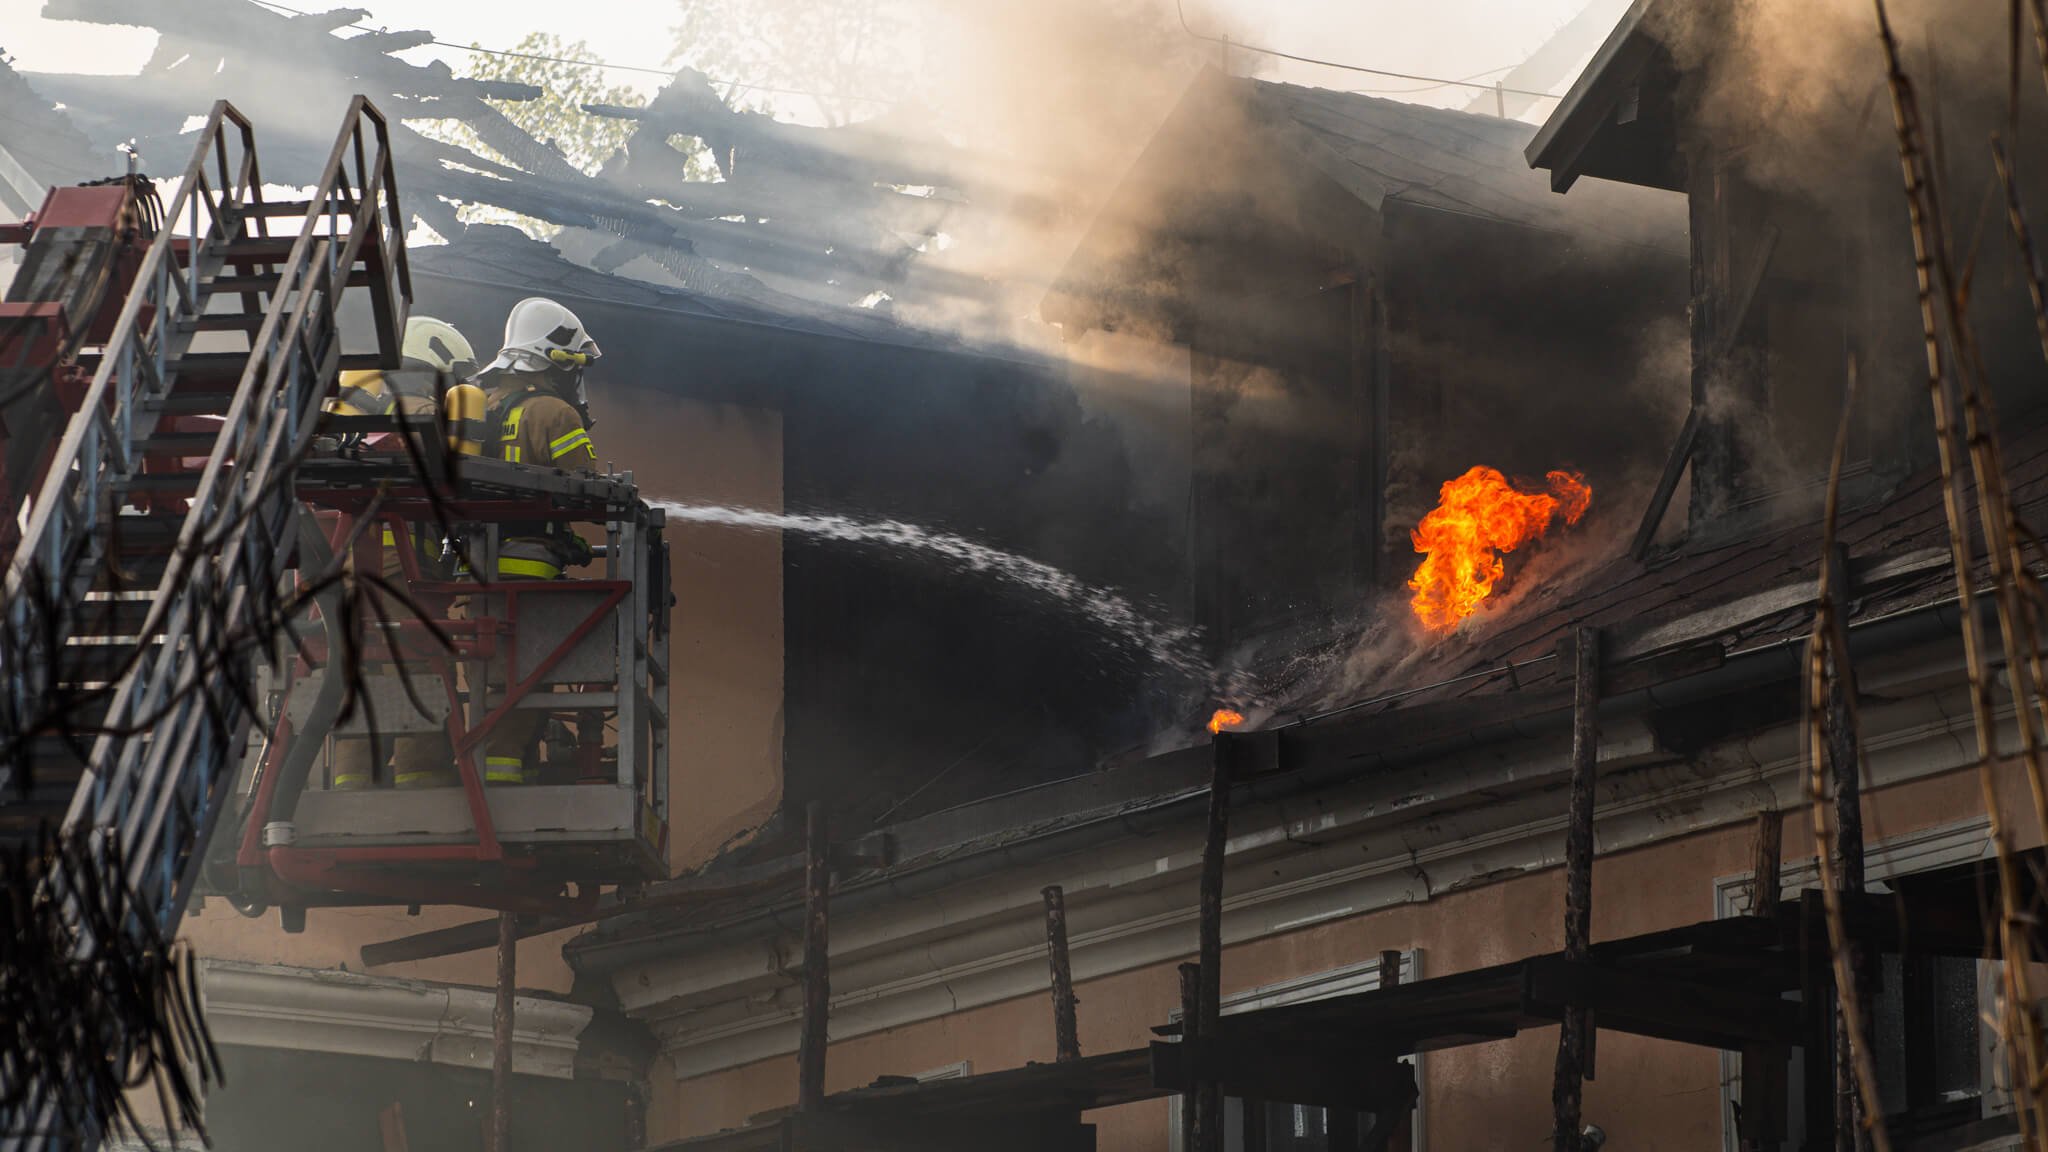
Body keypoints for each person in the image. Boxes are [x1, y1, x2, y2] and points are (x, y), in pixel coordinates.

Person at [328, 316, 479, 791]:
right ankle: (421, 779)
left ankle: (352, 783)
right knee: (417, 665)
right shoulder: (418, 407)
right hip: (398, 569)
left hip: (347, 571)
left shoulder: (359, 408)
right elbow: (456, 476)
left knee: (365, 671)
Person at [472, 297, 604, 785]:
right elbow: (586, 488)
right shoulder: (554, 413)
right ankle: (500, 787)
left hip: (471, 571)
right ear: (555, 361)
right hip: (528, 572)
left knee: (489, 682)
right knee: (526, 683)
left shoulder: (478, 408)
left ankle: (502, 776)